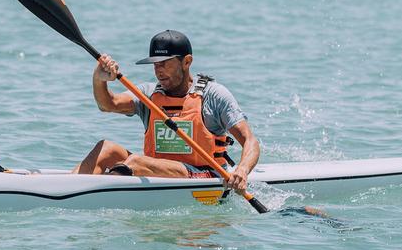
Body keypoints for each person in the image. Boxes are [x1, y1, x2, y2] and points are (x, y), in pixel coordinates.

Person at [73, 30, 261, 193]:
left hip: (204, 175)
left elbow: (249, 140)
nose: (158, 71)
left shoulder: (214, 95)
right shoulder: (148, 94)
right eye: (155, 64)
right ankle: (69, 188)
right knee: (105, 148)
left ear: (187, 62)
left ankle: (102, 193)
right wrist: (99, 80)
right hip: (156, 170)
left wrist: (242, 170)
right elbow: (108, 104)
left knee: (136, 162)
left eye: (164, 63)